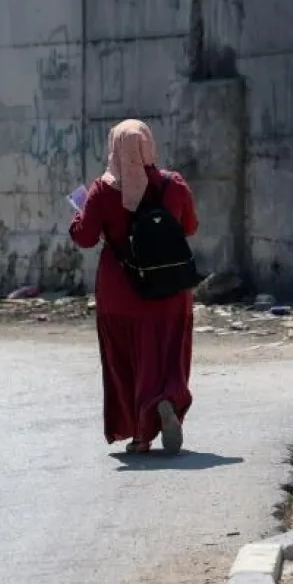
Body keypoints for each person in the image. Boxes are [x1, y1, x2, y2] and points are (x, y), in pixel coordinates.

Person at [69, 119, 199, 455]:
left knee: (126, 361)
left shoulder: (101, 191)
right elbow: (190, 226)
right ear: (148, 145)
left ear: (113, 148)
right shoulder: (174, 184)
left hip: (121, 294)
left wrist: (79, 218)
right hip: (171, 290)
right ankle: (167, 399)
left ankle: (141, 435)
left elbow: (85, 237)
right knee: (168, 353)